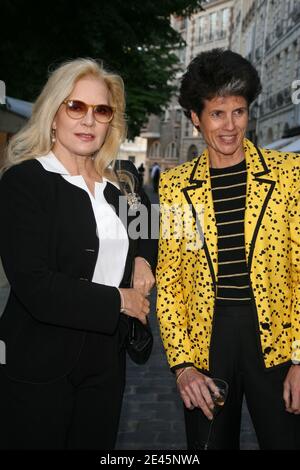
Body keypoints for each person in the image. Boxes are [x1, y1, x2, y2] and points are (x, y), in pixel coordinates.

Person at [0, 58, 157, 450]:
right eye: (76, 107)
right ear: (53, 115)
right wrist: (120, 299)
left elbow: (153, 230)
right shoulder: (25, 182)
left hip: (107, 363)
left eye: (100, 110)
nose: (89, 120)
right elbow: (35, 286)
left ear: (110, 122)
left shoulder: (119, 184)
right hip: (40, 363)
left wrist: (142, 258)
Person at [156, 48, 300, 450]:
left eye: (238, 112)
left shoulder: (289, 176)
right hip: (207, 343)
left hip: (275, 344)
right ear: (195, 118)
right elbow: (170, 284)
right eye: (217, 113)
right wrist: (183, 365)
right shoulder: (176, 189)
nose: (230, 126)